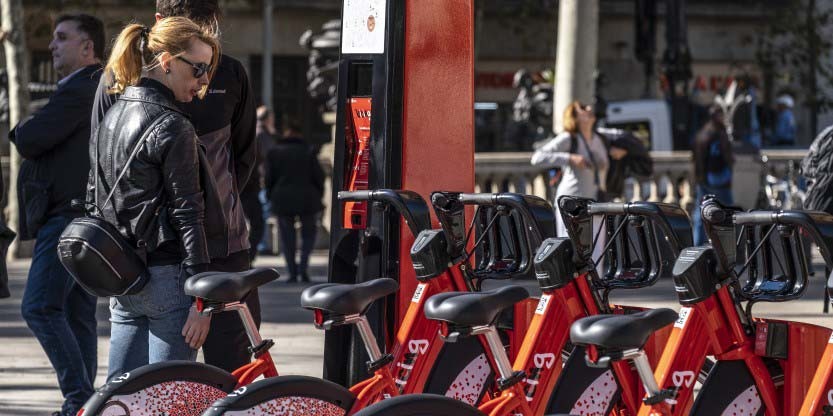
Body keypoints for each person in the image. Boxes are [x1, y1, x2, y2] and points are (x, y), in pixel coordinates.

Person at [91, 0, 259, 374]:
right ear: (167, 60)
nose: (204, 81)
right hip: (175, 268)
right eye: (199, 69)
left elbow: (98, 190)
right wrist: (200, 298)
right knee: (169, 394)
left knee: (123, 393)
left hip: (132, 271)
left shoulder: (118, 107)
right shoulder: (171, 121)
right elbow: (189, 210)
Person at [10, 14, 104, 416]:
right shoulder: (97, 87)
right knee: (77, 313)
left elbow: (29, 138)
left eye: (62, 38)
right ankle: (84, 404)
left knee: (39, 307)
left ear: (88, 47)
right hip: (86, 219)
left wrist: (23, 127)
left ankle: (79, 399)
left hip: (67, 219)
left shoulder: (80, 90)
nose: (52, 45)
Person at [530, 101, 625, 236]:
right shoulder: (569, 138)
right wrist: (570, 158)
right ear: (574, 116)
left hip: (597, 202)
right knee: (572, 248)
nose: (589, 108)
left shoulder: (599, 139)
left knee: (598, 251)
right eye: (582, 108)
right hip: (572, 203)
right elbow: (537, 158)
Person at [266, 119, 324, 283]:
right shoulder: (308, 150)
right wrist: (319, 195)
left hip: (282, 198)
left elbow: (269, 178)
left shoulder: (275, 151)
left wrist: (271, 196)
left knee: (287, 238)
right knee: (308, 235)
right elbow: (319, 176)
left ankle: (292, 272)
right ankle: (303, 268)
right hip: (307, 198)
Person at [692, 104, 734, 245]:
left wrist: (699, 178)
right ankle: (727, 246)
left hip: (703, 179)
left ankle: (697, 246)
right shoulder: (720, 134)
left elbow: (695, 159)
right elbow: (728, 158)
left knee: (700, 214)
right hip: (719, 179)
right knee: (727, 213)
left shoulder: (701, 134)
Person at [241, 106, 278, 260]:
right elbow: (267, 159)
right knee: (259, 220)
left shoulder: (256, 134)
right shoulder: (261, 135)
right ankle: (253, 253)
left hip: (250, 184)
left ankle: (252, 253)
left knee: (257, 220)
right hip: (253, 185)